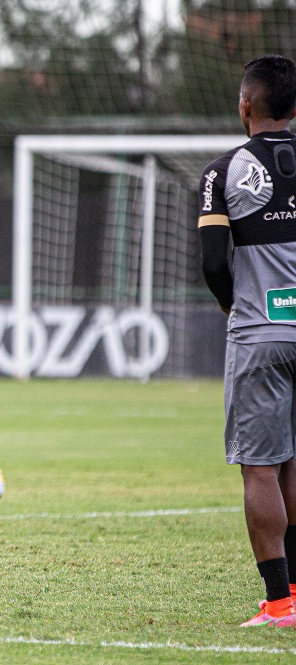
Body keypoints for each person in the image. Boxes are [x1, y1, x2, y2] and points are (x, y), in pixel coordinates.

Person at [199, 54, 296, 627]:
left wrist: (231, 306)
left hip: (259, 330)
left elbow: (214, 261)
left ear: (245, 105)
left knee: (260, 468)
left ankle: (280, 602)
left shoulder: (224, 171)